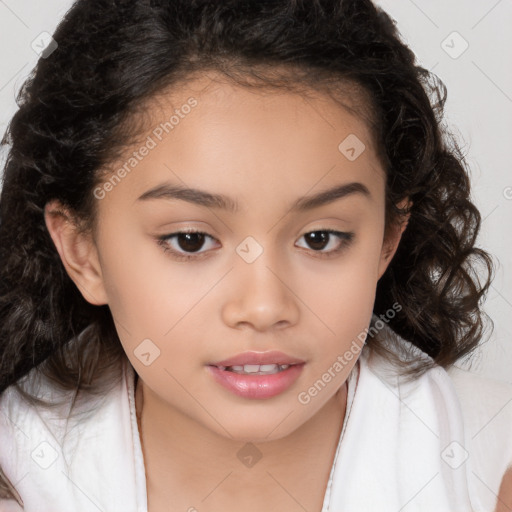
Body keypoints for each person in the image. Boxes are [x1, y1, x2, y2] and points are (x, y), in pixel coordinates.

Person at [0, 0, 511, 511]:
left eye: (320, 238)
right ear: (83, 252)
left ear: (387, 238)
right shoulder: (17, 474)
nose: (264, 307)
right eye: (191, 240)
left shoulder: (491, 468)